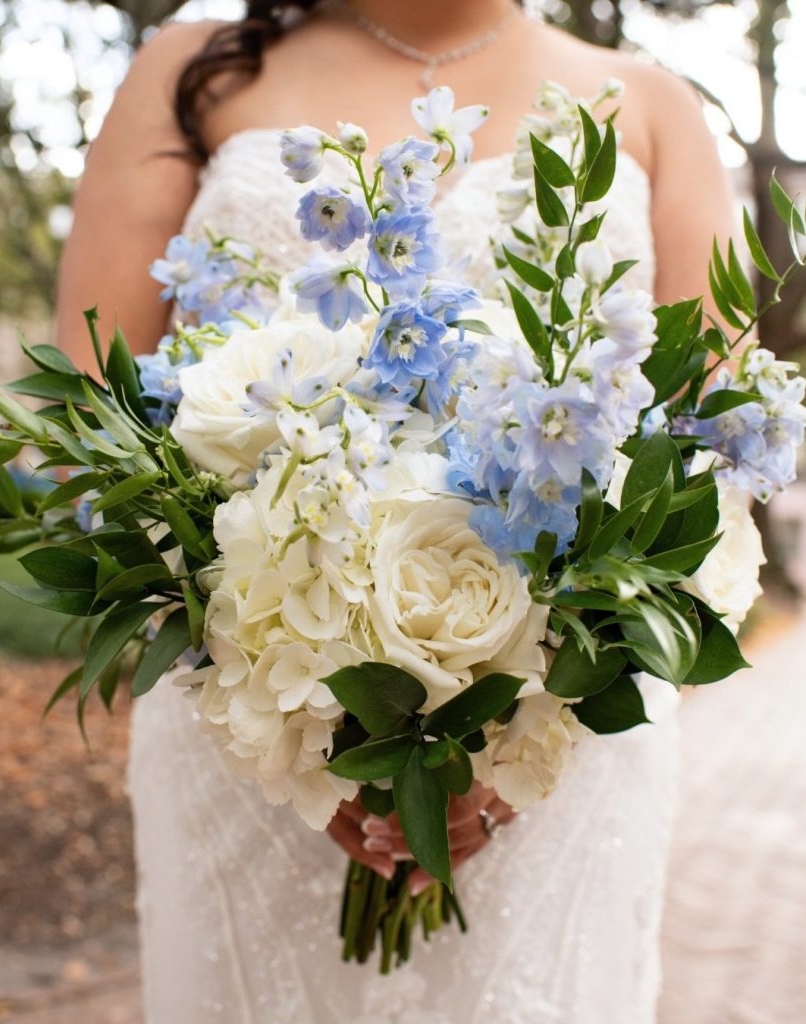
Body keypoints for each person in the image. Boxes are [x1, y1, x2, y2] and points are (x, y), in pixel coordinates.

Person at [56, 2, 737, 1021]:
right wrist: (303, 726)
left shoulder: (651, 105)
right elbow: (88, 417)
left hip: (567, 769)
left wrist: (517, 739)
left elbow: (706, 457)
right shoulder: (190, 74)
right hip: (247, 736)